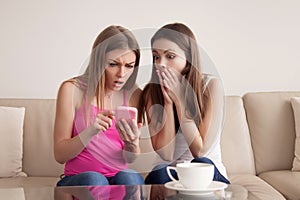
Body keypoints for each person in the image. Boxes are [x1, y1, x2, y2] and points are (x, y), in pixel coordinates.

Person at [138, 23, 230, 184]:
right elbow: (166, 155)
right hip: (169, 172)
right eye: (156, 56)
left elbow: (199, 152)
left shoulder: (210, 86)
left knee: (202, 164)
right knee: (160, 173)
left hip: (205, 169)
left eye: (170, 56)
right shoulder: (151, 93)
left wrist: (180, 101)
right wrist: (168, 104)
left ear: (188, 58)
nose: (161, 64)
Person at [54, 25, 144, 186]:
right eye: (113, 64)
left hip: (116, 178)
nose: (121, 74)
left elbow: (130, 158)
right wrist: (91, 131)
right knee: (95, 180)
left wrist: (133, 145)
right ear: (98, 60)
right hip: (79, 180)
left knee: (130, 177)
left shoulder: (134, 94)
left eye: (129, 66)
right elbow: (60, 155)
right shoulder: (71, 89)